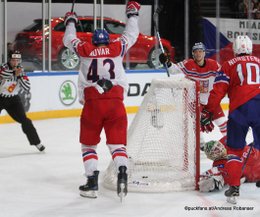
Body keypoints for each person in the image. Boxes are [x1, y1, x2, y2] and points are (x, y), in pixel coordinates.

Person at [62, 1, 141, 199]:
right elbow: (131, 35)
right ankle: (122, 172)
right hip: (115, 103)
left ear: (94, 40)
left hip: (93, 103)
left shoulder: (84, 49)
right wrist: (132, 14)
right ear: (107, 39)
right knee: (117, 146)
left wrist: (71, 21)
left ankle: (91, 182)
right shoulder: (117, 48)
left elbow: (68, 38)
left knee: (89, 146)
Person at [200, 35, 260, 203]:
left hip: (239, 109)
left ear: (235, 50)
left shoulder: (228, 65)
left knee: (234, 151)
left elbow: (217, 91)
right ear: (249, 48)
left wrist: (207, 112)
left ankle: (234, 188)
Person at [159, 42, 227, 149]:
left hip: (210, 101)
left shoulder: (214, 65)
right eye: (196, 52)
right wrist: (167, 62)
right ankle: (201, 144)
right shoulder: (188, 64)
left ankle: (230, 143)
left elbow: (224, 74)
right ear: (193, 53)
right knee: (196, 124)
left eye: (200, 51)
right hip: (194, 100)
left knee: (222, 122)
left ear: (204, 53)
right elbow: (174, 69)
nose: (198, 54)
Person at [0, 50, 45, 152]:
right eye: (13, 60)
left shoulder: (21, 71)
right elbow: (3, 74)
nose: (15, 63)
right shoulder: (3, 67)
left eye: (17, 60)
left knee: (25, 121)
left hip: (13, 99)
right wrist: (14, 73)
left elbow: (27, 86)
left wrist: (19, 76)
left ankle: (37, 143)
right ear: (9, 60)